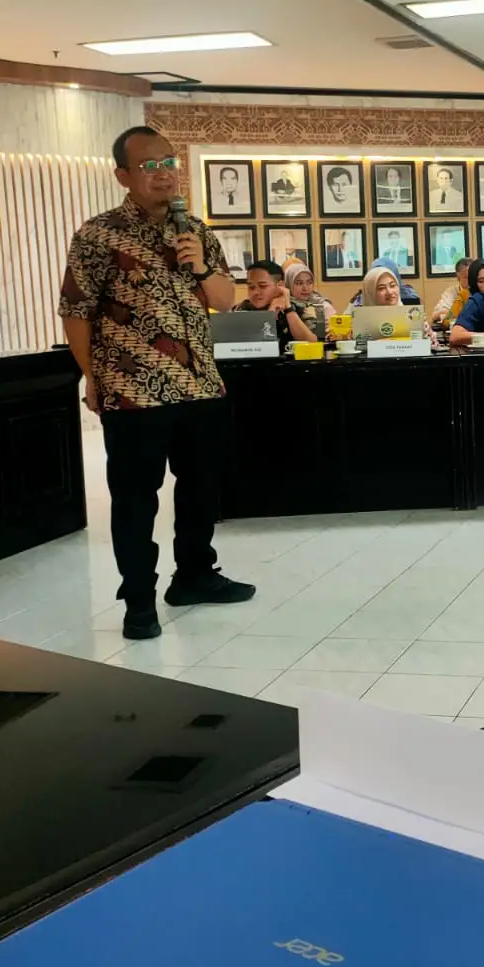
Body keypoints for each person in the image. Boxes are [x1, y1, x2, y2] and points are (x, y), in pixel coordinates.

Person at [59, 125, 254, 641]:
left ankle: (193, 576)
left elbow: (225, 300)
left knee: (201, 491)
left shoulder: (198, 232)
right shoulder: (97, 236)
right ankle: (139, 601)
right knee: (135, 500)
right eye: (149, 165)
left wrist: (200, 265)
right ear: (123, 175)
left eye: (169, 162)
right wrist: (92, 376)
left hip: (201, 386)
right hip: (134, 390)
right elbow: (76, 311)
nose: (164, 173)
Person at [236, 260, 315, 342]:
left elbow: (311, 342)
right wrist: (269, 315)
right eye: (251, 287)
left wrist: (288, 309)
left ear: (280, 286)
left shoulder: (303, 307)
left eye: (262, 286)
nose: (255, 292)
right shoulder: (241, 309)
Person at [349, 264, 430, 339]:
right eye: (381, 288)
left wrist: (427, 335)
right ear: (370, 293)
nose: (389, 292)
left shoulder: (413, 316)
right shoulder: (357, 323)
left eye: (392, 285)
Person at [286, 261, 336, 340]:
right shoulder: (283, 305)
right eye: (299, 283)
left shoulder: (323, 305)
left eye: (309, 282)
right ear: (289, 284)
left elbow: (333, 332)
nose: (305, 288)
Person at [431, 257, 474, 324]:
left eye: (473, 276)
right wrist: (454, 313)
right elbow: (435, 315)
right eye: (466, 277)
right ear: (458, 277)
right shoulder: (451, 292)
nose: (471, 280)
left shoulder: (481, 290)